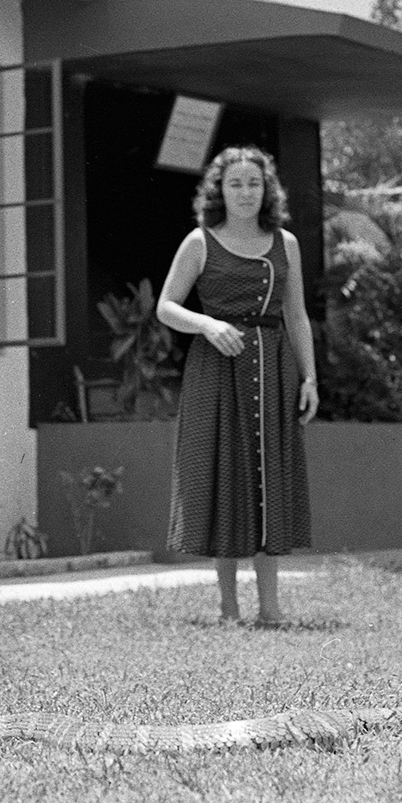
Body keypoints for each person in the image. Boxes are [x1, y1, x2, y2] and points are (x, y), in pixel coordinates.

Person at [156, 146, 317, 625]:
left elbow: (296, 314)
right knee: (224, 477)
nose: (246, 193)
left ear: (267, 190)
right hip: (216, 369)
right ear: (218, 191)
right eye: (235, 184)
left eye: (254, 183)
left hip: (273, 368)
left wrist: (309, 376)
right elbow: (167, 306)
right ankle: (229, 608)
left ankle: (270, 607)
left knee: (270, 477)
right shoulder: (199, 242)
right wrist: (207, 326)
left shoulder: (285, 243)